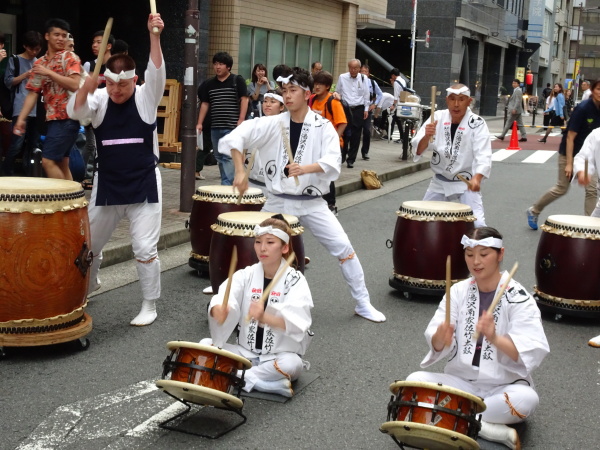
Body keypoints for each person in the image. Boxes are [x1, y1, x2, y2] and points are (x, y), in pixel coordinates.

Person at [220, 66, 386, 323]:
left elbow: (333, 162)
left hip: (312, 203)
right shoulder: (272, 123)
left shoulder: (323, 126)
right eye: (284, 91)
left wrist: (305, 168)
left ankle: (363, 302)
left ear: (306, 94)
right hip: (277, 201)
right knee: (255, 248)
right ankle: (231, 296)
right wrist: (240, 170)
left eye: (293, 90)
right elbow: (236, 137)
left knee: (344, 248)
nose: (287, 96)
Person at [406, 227, 549, 450]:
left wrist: (494, 337)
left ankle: (450, 420)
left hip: (503, 386)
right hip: (461, 383)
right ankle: (483, 426)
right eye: (470, 254)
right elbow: (436, 342)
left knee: (527, 400)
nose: (476, 262)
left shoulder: (519, 297)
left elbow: (531, 348)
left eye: (484, 254)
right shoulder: (458, 291)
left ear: (500, 254)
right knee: (415, 380)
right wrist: (439, 338)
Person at [67, 13, 166, 326]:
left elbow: (157, 69)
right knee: (89, 246)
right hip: (107, 184)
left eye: (121, 85)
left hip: (144, 185)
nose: (115, 91)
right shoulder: (99, 96)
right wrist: (87, 86)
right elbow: (76, 111)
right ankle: (87, 286)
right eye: (109, 84)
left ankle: (149, 303)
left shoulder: (146, 97)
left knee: (145, 248)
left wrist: (155, 35)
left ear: (134, 80)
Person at [202, 215, 313, 397]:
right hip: (244, 353)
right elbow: (225, 295)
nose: (262, 248)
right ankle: (264, 384)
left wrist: (264, 317)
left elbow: (299, 323)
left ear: (285, 248)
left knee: (293, 364)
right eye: (258, 242)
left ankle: (235, 377)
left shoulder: (295, 280)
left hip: (277, 356)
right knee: (205, 345)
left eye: (270, 242)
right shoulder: (246, 275)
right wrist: (219, 309)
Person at [412, 83, 492, 228]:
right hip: (439, 182)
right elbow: (418, 150)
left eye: (461, 99)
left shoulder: (477, 123)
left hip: (465, 182)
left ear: (469, 101)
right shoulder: (436, 117)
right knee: (422, 220)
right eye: (452, 99)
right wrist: (426, 136)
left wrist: (477, 178)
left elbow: (483, 154)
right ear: (446, 100)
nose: (456, 104)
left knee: (477, 225)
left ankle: (475, 249)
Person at [14, 18, 83, 180]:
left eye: (64, 36)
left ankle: (63, 200)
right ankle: (73, 202)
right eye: (56, 35)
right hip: (53, 119)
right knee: (62, 163)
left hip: (67, 118)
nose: (60, 39)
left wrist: (49, 73)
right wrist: (21, 119)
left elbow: (75, 84)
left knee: (48, 161)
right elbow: (32, 93)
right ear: (47, 36)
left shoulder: (69, 58)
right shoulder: (40, 62)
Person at [526, 79, 600, 230]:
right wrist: (569, 163)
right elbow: (570, 137)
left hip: (588, 157)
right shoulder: (583, 108)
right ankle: (534, 210)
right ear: (593, 90)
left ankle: (591, 227)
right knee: (562, 188)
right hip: (570, 152)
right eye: (599, 89)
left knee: (591, 190)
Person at [196, 52, 248, 185]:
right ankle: (230, 181)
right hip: (215, 126)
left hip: (232, 126)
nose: (217, 67)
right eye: (215, 64)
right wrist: (200, 123)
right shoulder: (209, 84)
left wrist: (241, 119)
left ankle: (227, 183)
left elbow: (244, 99)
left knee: (229, 156)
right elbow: (205, 104)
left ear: (228, 67)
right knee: (219, 156)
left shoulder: (237, 80)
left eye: (221, 64)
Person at [1, 31, 42, 176]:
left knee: (33, 145)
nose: (34, 52)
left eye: (37, 49)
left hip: (36, 109)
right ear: (25, 46)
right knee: (16, 144)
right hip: (19, 107)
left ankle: (30, 172)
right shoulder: (15, 60)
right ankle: (7, 172)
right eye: (32, 48)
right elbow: (8, 82)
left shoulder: (40, 62)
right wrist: (26, 75)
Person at [310, 70, 347, 215]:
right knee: (316, 172)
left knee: (327, 173)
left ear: (327, 87)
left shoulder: (333, 101)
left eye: (321, 84)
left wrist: (334, 140)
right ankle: (318, 202)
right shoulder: (312, 99)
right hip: (316, 143)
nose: (317, 86)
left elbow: (342, 123)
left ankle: (331, 205)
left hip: (332, 145)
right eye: (316, 83)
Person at [335, 59, 369, 168]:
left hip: (359, 108)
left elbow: (366, 94)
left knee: (356, 134)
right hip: (346, 107)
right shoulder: (342, 77)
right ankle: (342, 154)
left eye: (355, 68)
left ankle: (351, 159)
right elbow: (338, 91)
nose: (353, 70)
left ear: (359, 69)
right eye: (350, 68)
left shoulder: (364, 78)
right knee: (344, 132)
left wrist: (366, 109)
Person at [359, 64, 382, 160]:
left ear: (368, 74)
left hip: (368, 109)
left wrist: (374, 104)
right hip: (357, 108)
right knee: (354, 131)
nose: (363, 73)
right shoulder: (356, 81)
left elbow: (380, 94)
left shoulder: (372, 83)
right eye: (362, 71)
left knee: (367, 131)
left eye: (365, 71)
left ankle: (365, 152)